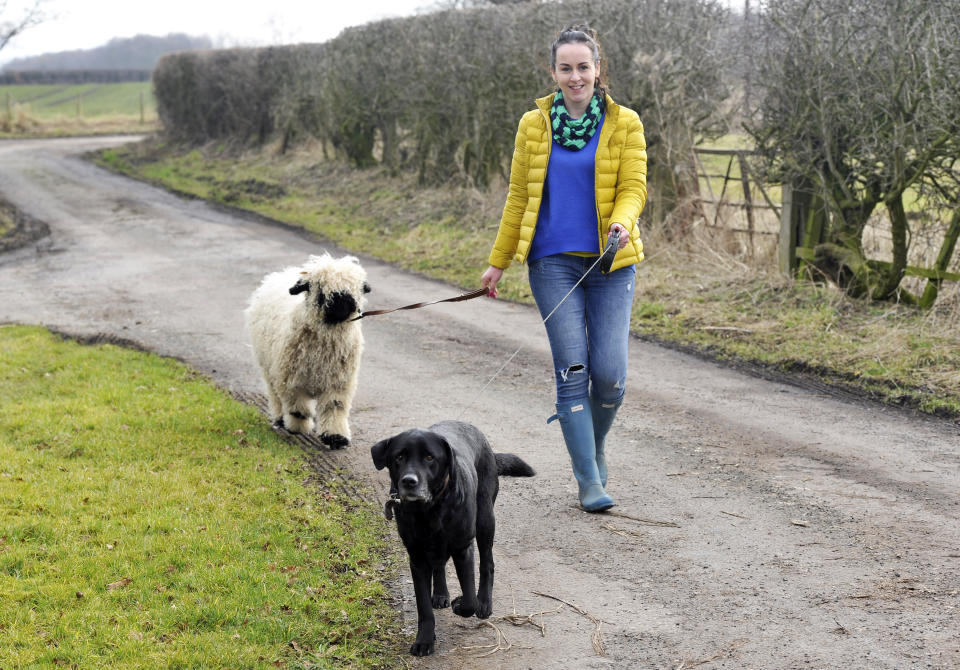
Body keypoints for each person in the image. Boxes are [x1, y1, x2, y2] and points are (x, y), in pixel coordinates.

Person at [480, 25, 647, 512]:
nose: (576, 77)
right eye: (566, 68)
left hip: (611, 262)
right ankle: (588, 481)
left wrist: (620, 224)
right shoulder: (533, 125)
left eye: (584, 67)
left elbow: (634, 188)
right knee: (573, 371)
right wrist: (498, 263)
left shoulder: (626, 123)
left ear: (599, 69)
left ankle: (592, 448)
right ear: (553, 72)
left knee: (611, 375)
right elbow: (517, 198)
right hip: (551, 264)